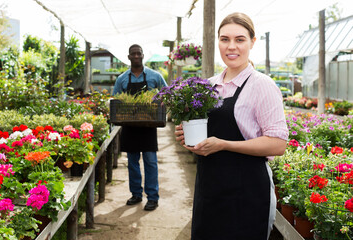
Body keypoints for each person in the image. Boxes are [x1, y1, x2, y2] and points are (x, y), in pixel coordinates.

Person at [174, 13, 289, 239]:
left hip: (247, 192)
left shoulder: (261, 85)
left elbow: (278, 144)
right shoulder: (208, 85)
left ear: (252, 42)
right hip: (209, 188)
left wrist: (224, 144)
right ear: (217, 41)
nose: (231, 47)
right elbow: (205, 133)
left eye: (240, 39)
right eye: (225, 39)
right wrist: (186, 135)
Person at [112, 44, 167, 211]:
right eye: (133, 54)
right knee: (132, 162)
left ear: (143, 55)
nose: (136, 56)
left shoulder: (154, 76)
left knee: (150, 161)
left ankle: (153, 197)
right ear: (128, 57)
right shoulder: (122, 79)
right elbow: (115, 101)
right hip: (129, 126)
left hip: (148, 125)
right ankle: (136, 194)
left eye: (138, 53)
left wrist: (162, 103)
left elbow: (167, 93)